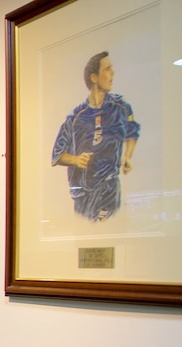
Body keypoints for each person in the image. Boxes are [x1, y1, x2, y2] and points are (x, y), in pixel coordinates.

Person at [52, 51, 140, 222]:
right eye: (107, 69)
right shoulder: (76, 117)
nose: (112, 73)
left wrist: (128, 156)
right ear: (94, 77)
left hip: (111, 187)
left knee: (111, 231)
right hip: (85, 193)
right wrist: (75, 160)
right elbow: (57, 154)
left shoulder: (121, 107)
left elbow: (132, 130)